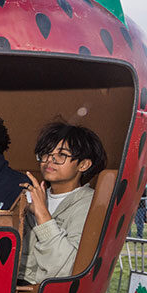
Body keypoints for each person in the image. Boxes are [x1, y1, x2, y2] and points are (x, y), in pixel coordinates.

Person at [19, 121, 107, 284]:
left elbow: (65, 269)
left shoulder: (90, 204)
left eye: (61, 155)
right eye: (45, 153)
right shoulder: (31, 197)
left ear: (83, 164)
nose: (49, 160)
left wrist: (42, 215)